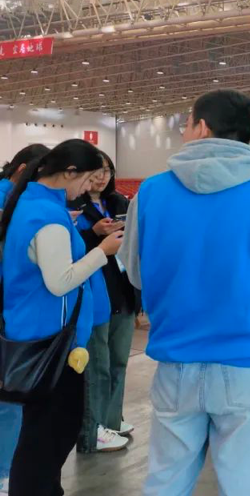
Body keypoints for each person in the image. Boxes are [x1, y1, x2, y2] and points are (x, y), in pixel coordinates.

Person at [118, 90, 250, 496]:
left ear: (203, 127)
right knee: (243, 482)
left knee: (165, 480)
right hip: (248, 359)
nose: (183, 131)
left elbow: (135, 273)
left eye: (186, 123)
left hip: (176, 357)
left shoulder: (150, 194)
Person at [1, 139, 121, 496]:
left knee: (42, 436)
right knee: (48, 437)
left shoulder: (31, 205)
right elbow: (60, 281)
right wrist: (102, 252)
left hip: (39, 335)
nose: (88, 188)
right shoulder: (46, 216)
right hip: (51, 343)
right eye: (87, 179)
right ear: (69, 172)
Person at [71, 152, 138, 454]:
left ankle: (111, 419)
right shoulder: (74, 206)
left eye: (107, 170)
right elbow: (72, 252)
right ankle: (93, 427)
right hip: (96, 291)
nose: (101, 177)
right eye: (96, 171)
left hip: (122, 289)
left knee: (119, 361)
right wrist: (93, 234)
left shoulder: (119, 203)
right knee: (97, 365)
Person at [0, 143, 50, 493]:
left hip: (13, 309)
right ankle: (5, 473)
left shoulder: (20, 202)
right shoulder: (14, 202)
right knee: (10, 400)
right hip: (11, 311)